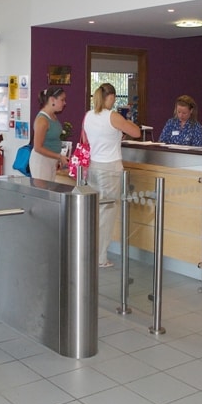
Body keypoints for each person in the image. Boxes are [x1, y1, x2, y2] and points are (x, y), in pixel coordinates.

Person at [82, 83, 141, 267]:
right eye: (113, 98)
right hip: (110, 169)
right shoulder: (112, 116)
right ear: (110, 97)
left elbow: (85, 139)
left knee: (94, 212)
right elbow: (136, 132)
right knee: (106, 216)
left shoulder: (88, 115)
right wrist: (127, 123)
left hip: (94, 166)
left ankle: (88, 253)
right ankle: (100, 258)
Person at [30, 86, 68, 180]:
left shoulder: (53, 116)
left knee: (50, 188)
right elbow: (38, 147)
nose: (64, 103)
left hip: (51, 160)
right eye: (62, 100)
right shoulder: (42, 120)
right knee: (43, 189)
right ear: (52, 100)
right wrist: (59, 156)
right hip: (42, 161)